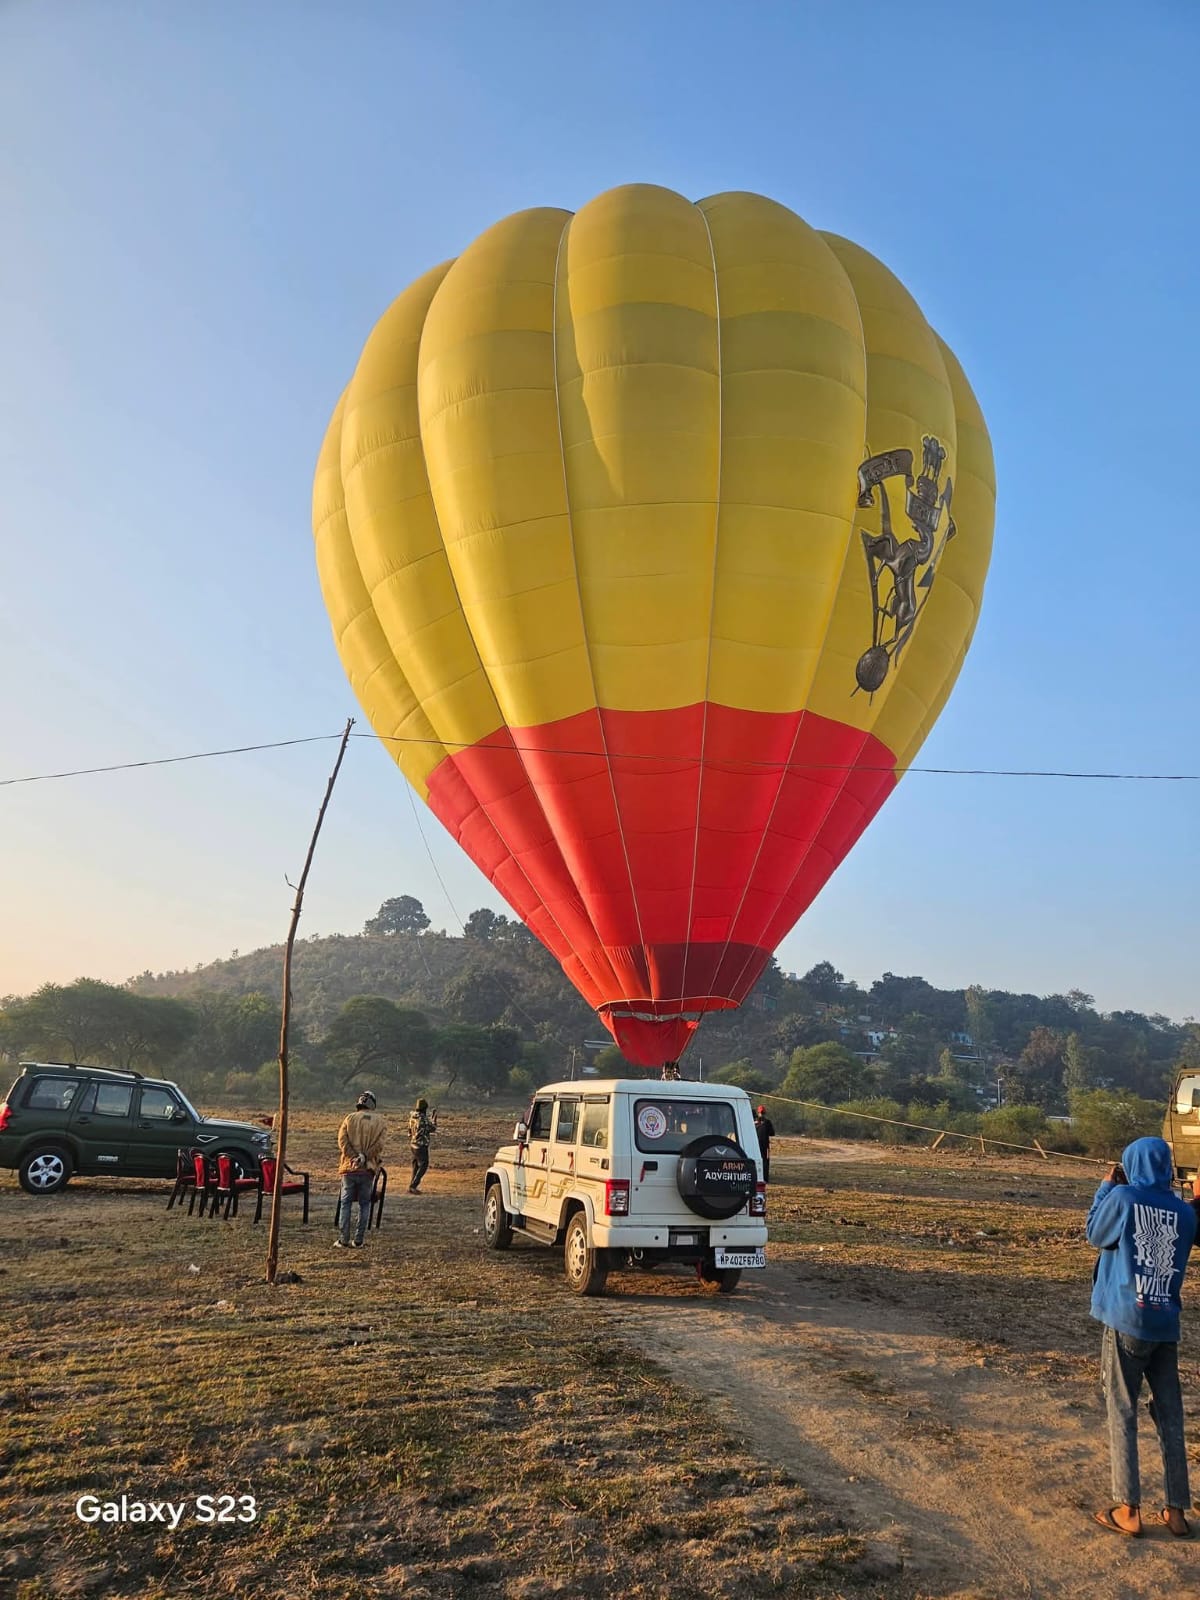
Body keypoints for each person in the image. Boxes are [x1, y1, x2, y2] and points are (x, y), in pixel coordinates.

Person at [1086, 1136, 1196, 1538]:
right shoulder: (1184, 1213)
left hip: (1126, 1318)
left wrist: (1106, 1185)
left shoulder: (1124, 1197)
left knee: (1123, 1409)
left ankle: (1129, 1509)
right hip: (1165, 1324)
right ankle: (1177, 1511)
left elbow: (1095, 1234)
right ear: (1167, 1167)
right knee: (1170, 1416)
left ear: (1130, 1165)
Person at [335, 1090, 386, 1248]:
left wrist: (353, 1157)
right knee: (365, 1204)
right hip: (367, 1169)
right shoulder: (380, 1122)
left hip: (349, 1169)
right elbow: (379, 1145)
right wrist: (364, 1157)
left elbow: (342, 1142)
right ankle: (358, 1240)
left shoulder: (349, 1118)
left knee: (346, 1203)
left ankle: (343, 1240)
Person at [408, 1097, 438, 1194]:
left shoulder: (412, 1116)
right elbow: (432, 1128)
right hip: (421, 1146)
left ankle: (411, 1186)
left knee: (415, 1167)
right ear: (425, 1109)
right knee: (424, 1165)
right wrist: (434, 1119)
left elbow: (409, 1131)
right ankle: (413, 1185)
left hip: (413, 1144)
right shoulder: (423, 1119)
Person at [753, 1104, 776, 1183]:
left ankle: (755, 1177)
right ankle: (764, 1179)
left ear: (758, 1112)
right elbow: (772, 1133)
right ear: (765, 1113)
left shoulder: (753, 1122)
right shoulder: (767, 1122)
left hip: (755, 1144)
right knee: (765, 1161)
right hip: (765, 1145)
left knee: (755, 1160)